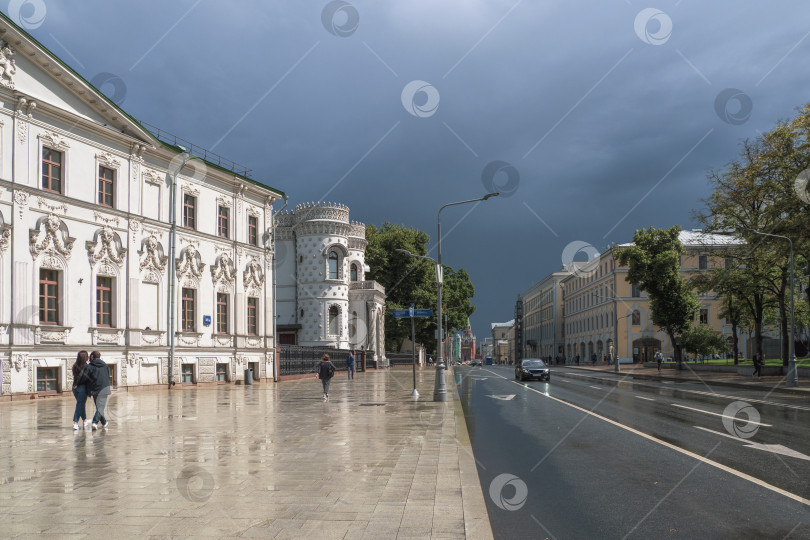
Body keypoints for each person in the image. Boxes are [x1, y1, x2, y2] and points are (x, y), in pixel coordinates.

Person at [86, 350, 111, 430]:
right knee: (100, 408)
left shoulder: (90, 366)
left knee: (99, 407)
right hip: (104, 389)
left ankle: (96, 422)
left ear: (92, 356)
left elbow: (87, 380)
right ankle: (102, 422)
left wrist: (89, 391)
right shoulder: (105, 366)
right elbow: (108, 376)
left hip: (95, 389)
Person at [71, 351, 91, 431]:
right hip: (82, 388)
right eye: (87, 356)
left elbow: (75, 377)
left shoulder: (75, 366)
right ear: (85, 358)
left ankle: (85, 420)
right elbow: (84, 378)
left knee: (81, 404)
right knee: (80, 405)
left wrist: (75, 384)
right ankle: (75, 423)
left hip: (74, 388)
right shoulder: (87, 366)